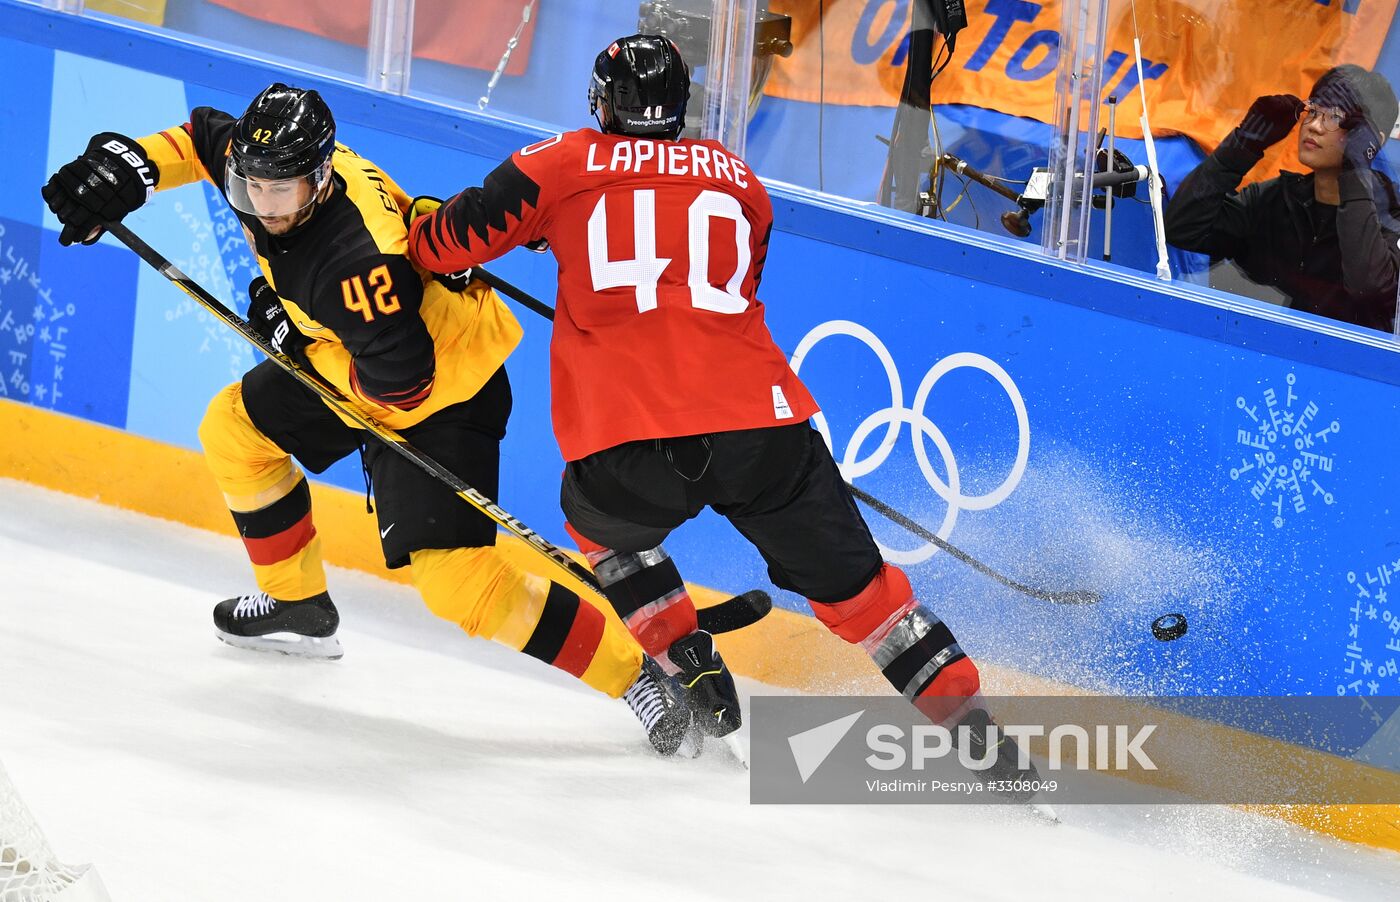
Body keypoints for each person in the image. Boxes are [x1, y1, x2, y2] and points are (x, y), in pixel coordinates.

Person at [407, 35, 1038, 789]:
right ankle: (987, 746)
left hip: (629, 440)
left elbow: (440, 245)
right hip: (761, 426)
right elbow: (743, 272)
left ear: (602, 104)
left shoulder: (556, 165)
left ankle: (685, 656)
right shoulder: (739, 179)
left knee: (598, 528)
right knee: (870, 602)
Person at [40, 83, 697, 755]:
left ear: (319, 180)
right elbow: (198, 138)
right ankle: (298, 605)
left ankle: (635, 677)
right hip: (349, 350)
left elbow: (404, 386)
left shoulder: (357, 267)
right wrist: (126, 169)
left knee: (458, 585)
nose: (264, 207)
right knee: (234, 429)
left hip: (440, 386)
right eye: (251, 188)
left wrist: (296, 344)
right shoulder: (270, 160)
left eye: (281, 193)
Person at [1165, 64, 1400, 332]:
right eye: (1312, 110)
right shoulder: (1279, 198)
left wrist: (1356, 170)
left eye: (1335, 116)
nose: (1313, 126)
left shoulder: (1393, 215)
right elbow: (1183, 228)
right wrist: (1243, 145)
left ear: (1372, 141)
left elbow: (1369, 288)